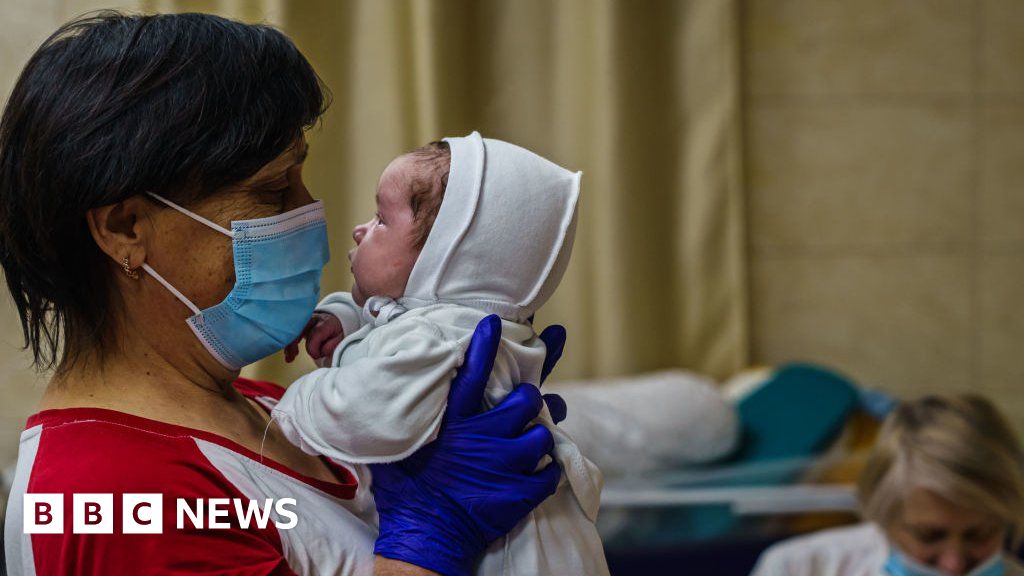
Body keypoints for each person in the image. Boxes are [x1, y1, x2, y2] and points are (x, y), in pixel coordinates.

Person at [0, 12, 568, 576]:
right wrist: (435, 533)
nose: (310, 216)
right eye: (273, 191)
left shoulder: (261, 406)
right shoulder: (109, 499)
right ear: (125, 228)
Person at [271, 134, 608, 575]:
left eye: (380, 219)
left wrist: (294, 406)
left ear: (444, 258)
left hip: (512, 554)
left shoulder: (432, 335)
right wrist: (343, 322)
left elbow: (365, 412)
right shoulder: (453, 323)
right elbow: (385, 319)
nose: (360, 229)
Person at [752, 393, 1024, 576]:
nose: (953, 564)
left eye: (980, 535)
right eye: (929, 536)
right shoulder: (800, 568)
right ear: (882, 515)